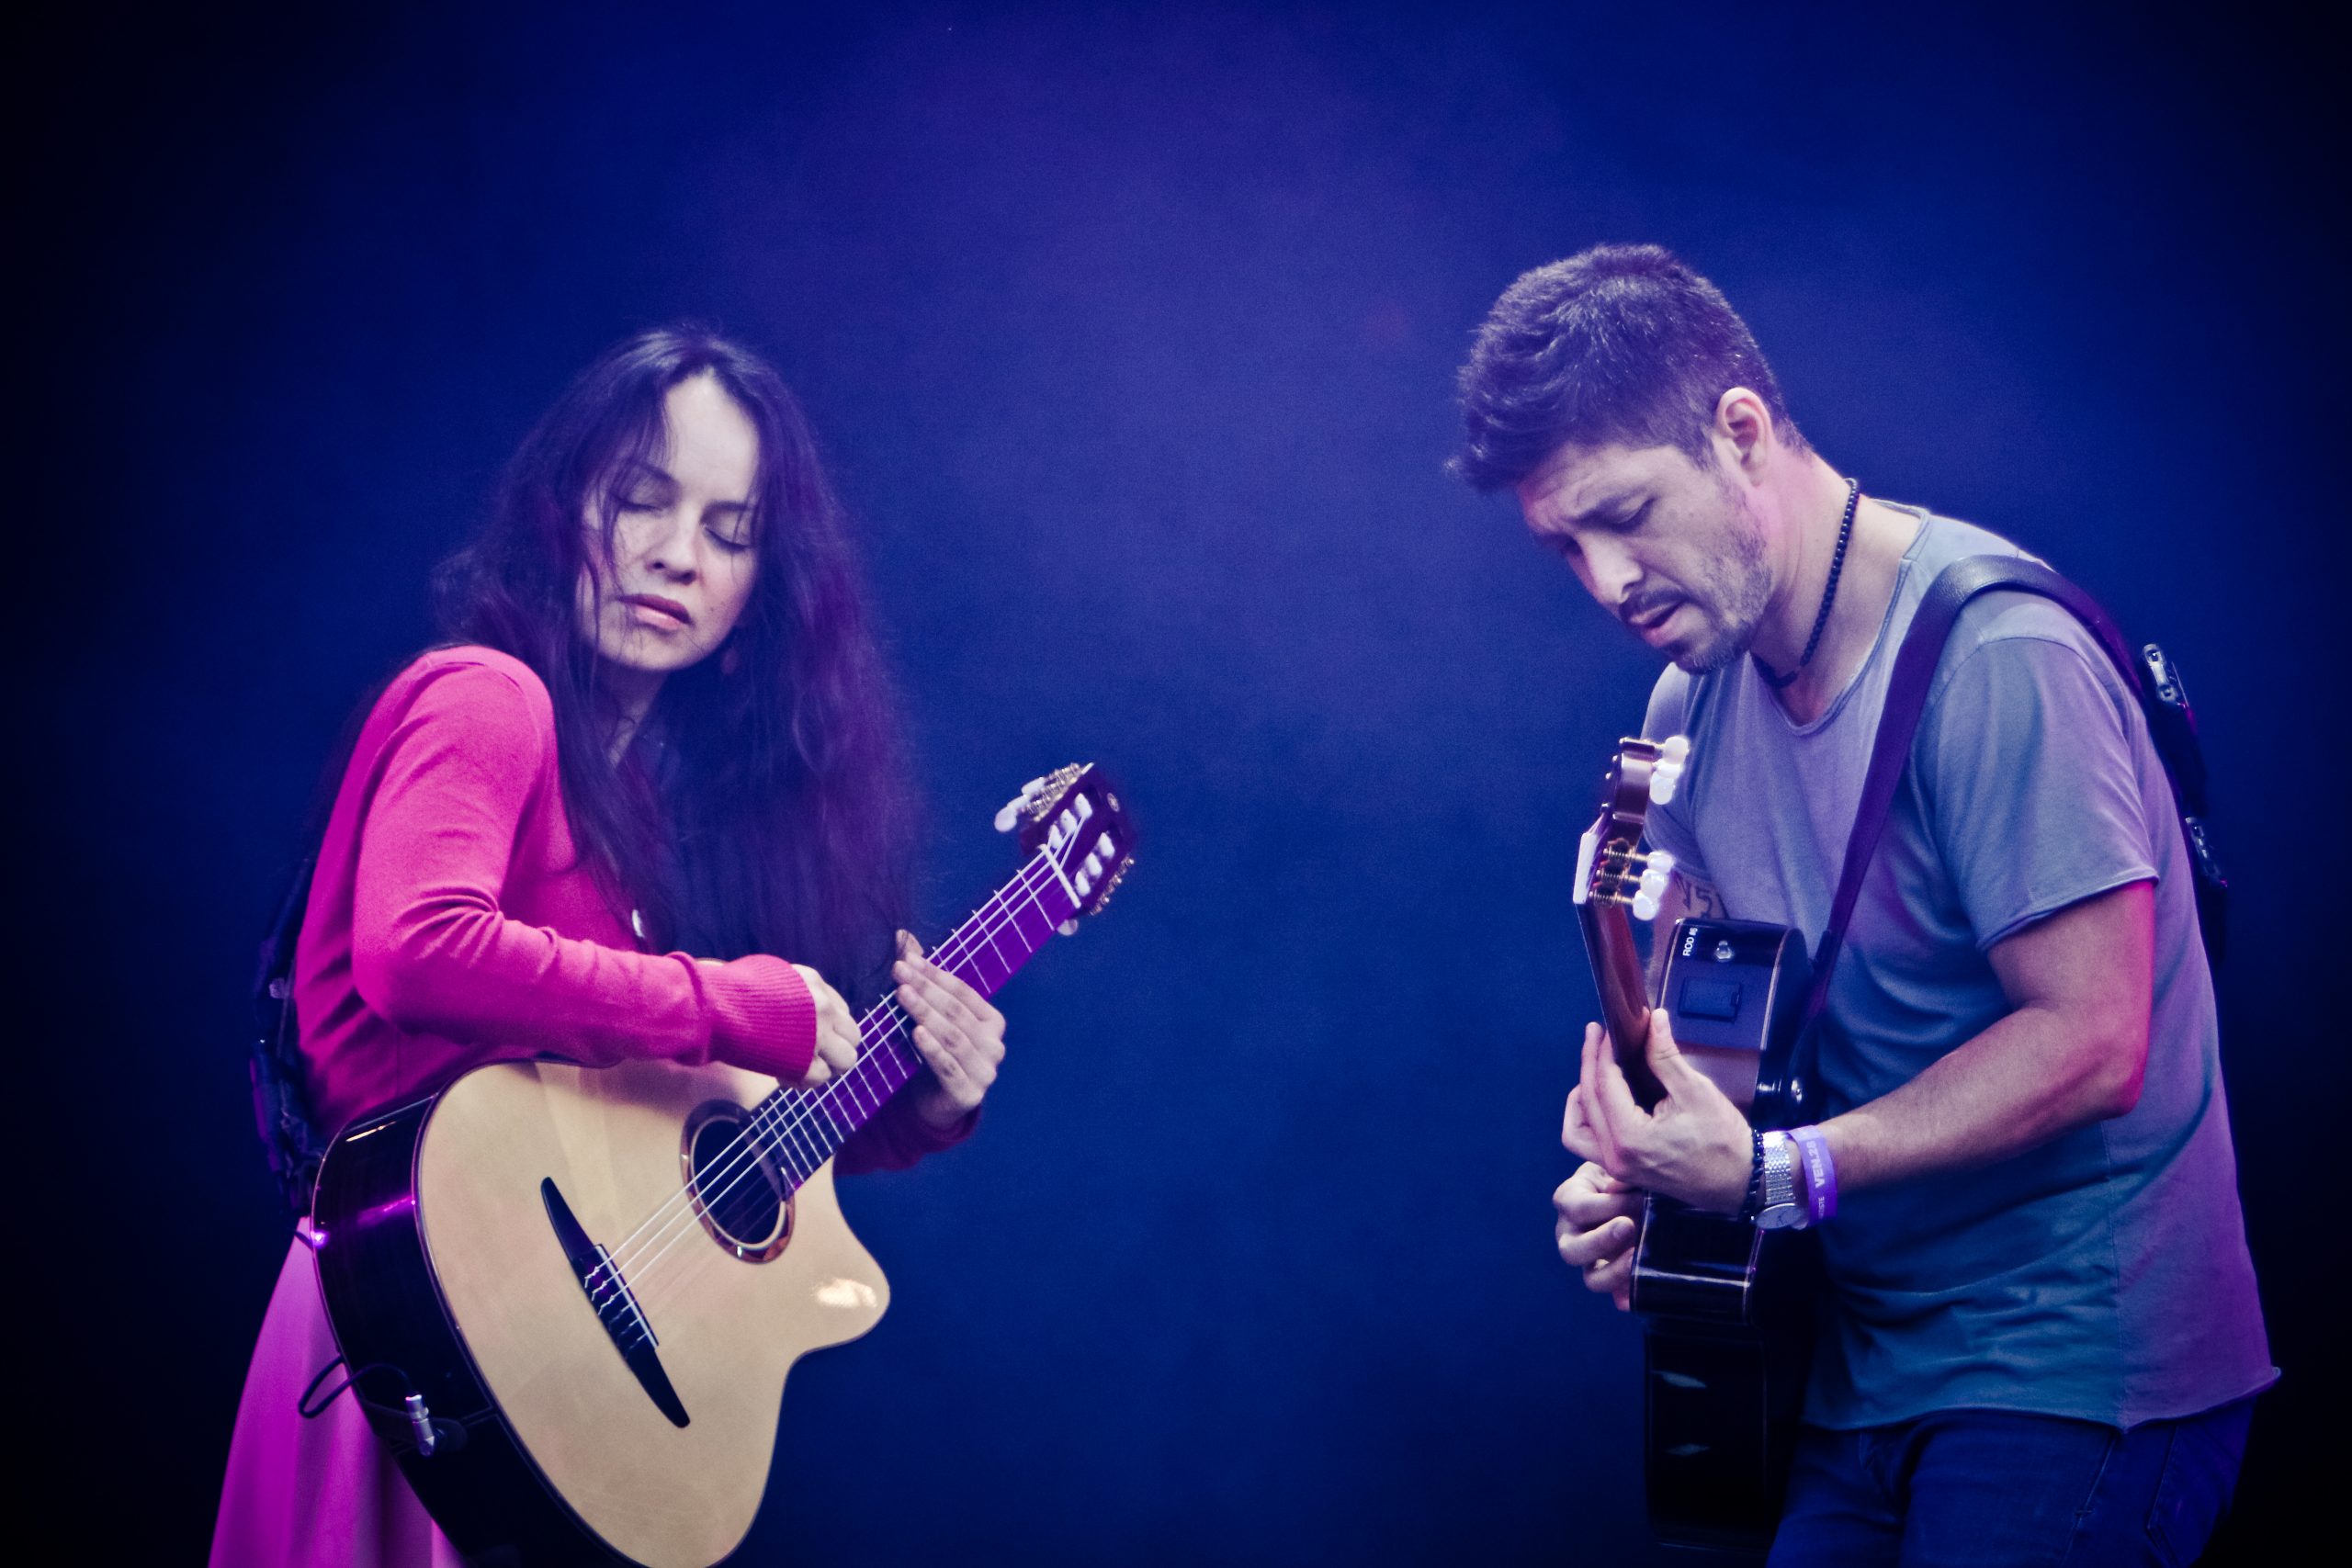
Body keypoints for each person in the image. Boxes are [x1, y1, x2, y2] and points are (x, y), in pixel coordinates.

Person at [1453, 246, 2271, 1564]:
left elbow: (2097, 1039)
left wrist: (1780, 1173)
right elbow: (1714, 1059)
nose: (1609, 582)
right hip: (1859, 1365)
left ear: (1738, 432)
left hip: (2076, 1364)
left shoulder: (2002, 658)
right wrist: (1646, 1183)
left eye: (1628, 514)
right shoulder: (1687, 711)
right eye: (1568, 547)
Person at [210, 328, 1008, 1567]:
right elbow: (418, 948)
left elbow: (674, 1170)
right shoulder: (487, 695)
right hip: (406, 1341)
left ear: (759, 601)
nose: (674, 555)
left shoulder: (627, 831)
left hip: (525, 1375)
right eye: (640, 499)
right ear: (558, 512)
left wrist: (924, 1100)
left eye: (730, 533)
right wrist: (730, 1006)